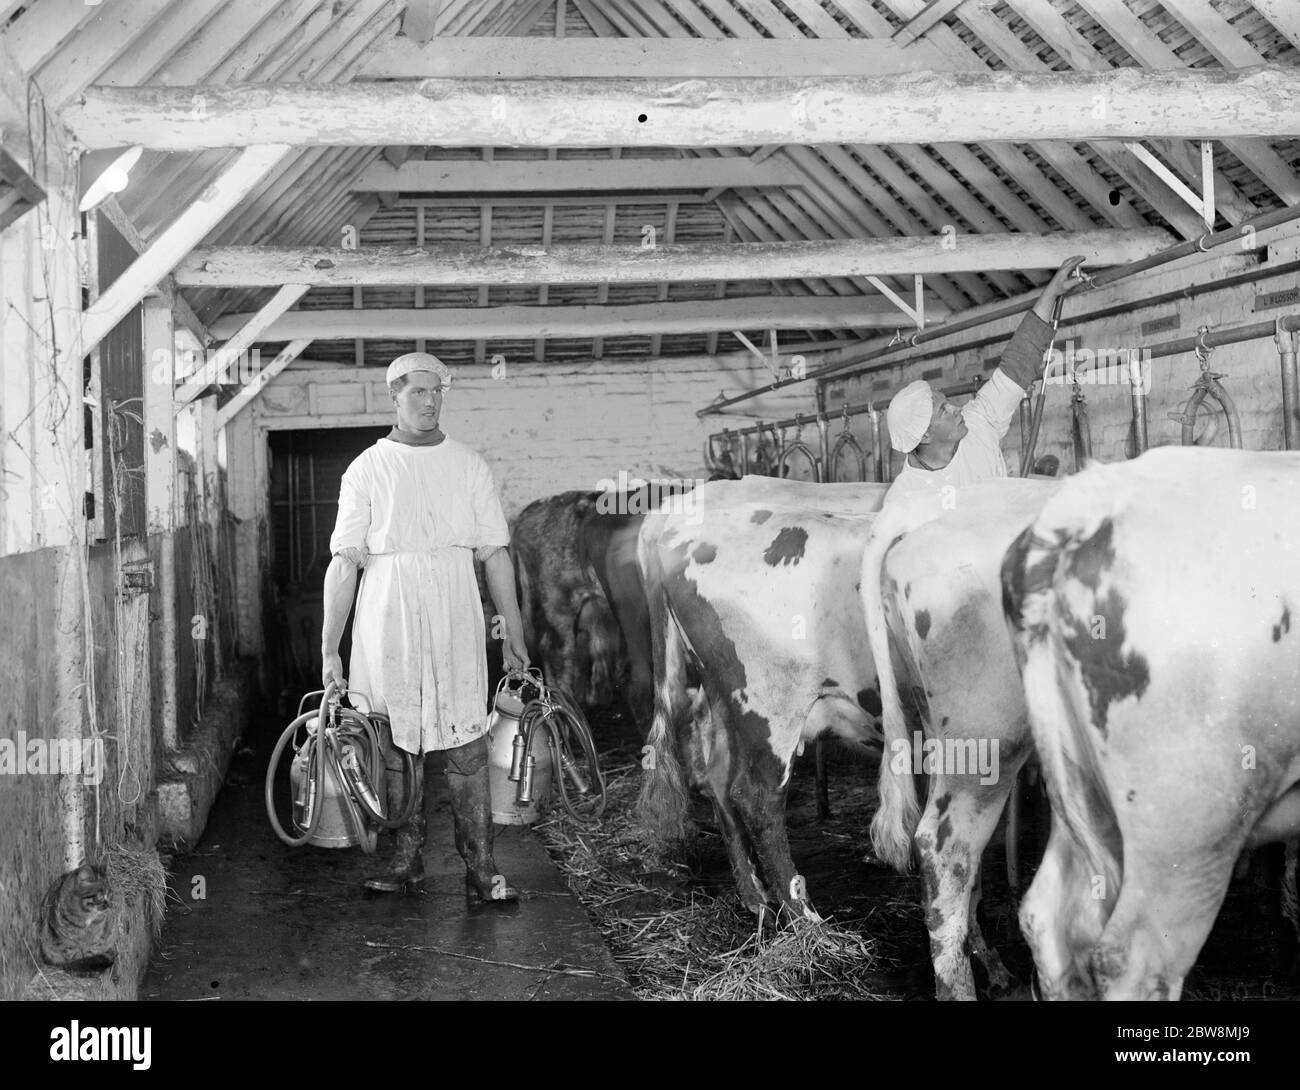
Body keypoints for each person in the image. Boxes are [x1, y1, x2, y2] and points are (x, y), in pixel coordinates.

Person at [321, 352, 530, 899]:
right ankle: (405, 860)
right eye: (417, 391)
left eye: (437, 391)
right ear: (394, 395)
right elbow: (344, 562)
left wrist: (515, 633)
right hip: (387, 612)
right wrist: (330, 649)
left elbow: (496, 554)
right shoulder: (367, 468)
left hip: (456, 609)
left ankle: (482, 869)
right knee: (394, 744)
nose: (429, 401)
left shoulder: (468, 464)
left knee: (466, 745)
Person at [884, 256, 1085, 496]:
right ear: (924, 434)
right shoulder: (910, 495)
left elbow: (1018, 363)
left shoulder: (977, 422)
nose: (956, 408)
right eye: (943, 410)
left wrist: (1051, 293)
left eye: (947, 402)